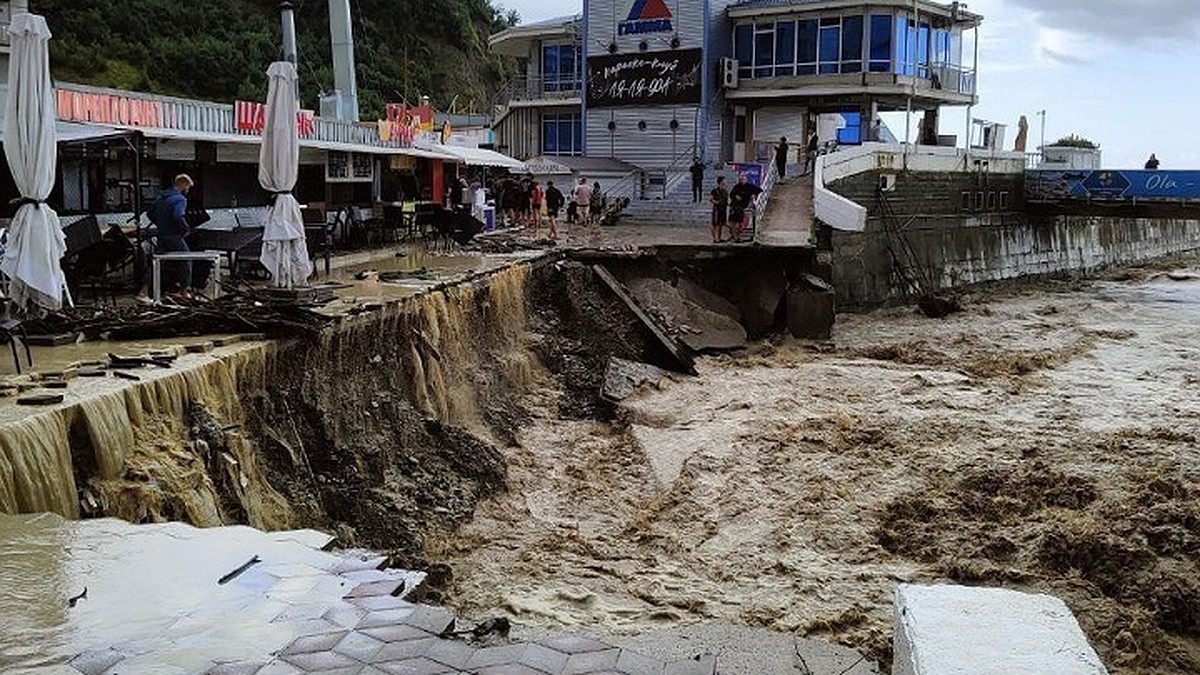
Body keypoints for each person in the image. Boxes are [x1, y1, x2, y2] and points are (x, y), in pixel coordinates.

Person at [136, 174, 195, 304]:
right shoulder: (180, 199)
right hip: (173, 235)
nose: (188, 190)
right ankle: (184, 291)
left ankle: (143, 291)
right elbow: (178, 216)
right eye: (188, 187)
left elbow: (150, 213)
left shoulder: (161, 197)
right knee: (187, 259)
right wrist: (185, 229)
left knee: (156, 262)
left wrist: (161, 224)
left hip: (161, 234)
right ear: (184, 184)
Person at [728, 173, 763, 243]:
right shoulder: (736, 186)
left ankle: (737, 237)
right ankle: (734, 236)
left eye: (743, 179)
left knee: (739, 223)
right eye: (740, 179)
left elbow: (760, 190)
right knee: (733, 222)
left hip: (742, 206)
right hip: (734, 206)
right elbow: (731, 194)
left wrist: (754, 195)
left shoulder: (749, 186)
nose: (742, 180)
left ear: (746, 179)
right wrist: (735, 196)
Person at [709, 176, 729, 243]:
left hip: (723, 209)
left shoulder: (725, 191)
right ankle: (715, 238)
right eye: (724, 181)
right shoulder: (715, 191)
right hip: (717, 209)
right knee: (715, 224)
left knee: (721, 224)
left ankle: (719, 238)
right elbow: (711, 199)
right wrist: (717, 202)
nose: (725, 183)